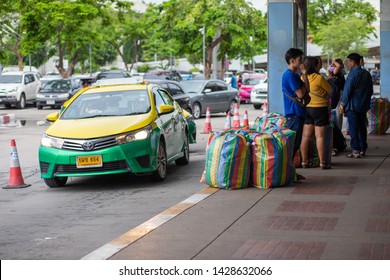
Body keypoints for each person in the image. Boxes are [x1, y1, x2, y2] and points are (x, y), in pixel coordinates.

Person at [282, 48, 310, 180]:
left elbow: (307, 89)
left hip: (297, 112)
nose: (301, 62)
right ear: (292, 61)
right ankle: (288, 173)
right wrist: (303, 80)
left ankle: (290, 172)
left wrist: (304, 75)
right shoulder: (290, 76)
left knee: (295, 144)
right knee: (293, 145)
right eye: (299, 60)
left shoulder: (295, 75)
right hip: (294, 113)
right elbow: (301, 93)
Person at [300, 56, 333, 170]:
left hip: (308, 108)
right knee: (320, 137)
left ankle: (304, 161)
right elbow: (330, 90)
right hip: (320, 109)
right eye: (319, 64)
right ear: (314, 66)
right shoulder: (319, 78)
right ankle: (323, 163)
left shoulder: (303, 77)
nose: (321, 66)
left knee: (305, 136)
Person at [339, 53, 373, 158]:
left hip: (352, 106)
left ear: (353, 62)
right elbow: (370, 91)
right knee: (362, 128)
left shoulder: (352, 74)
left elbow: (347, 91)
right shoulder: (367, 74)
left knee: (353, 128)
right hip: (363, 106)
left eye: (349, 61)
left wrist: (342, 105)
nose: (348, 64)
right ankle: (363, 149)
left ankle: (356, 150)